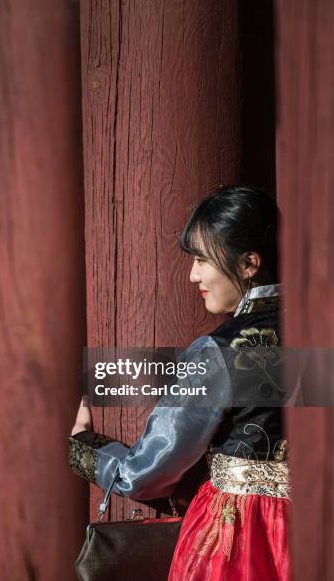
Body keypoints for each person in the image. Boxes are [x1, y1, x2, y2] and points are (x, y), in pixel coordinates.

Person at [69, 185, 290, 581]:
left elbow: (149, 472)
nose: (193, 276)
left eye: (203, 260)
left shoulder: (219, 351)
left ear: (249, 263)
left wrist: (85, 449)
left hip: (241, 535)